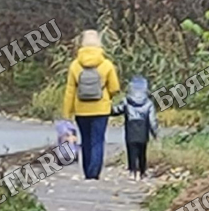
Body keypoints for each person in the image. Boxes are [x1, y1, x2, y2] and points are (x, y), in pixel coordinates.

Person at [62, 30, 120, 180]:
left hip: (81, 110)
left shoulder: (75, 65)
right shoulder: (106, 64)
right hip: (101, 109)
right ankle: (95, 172)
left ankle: (87, 172)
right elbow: (115, 88)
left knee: (85, 140)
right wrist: (107, 97)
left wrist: (67, 114)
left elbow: (70, 91)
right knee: (98, 140)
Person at [112, 75, 158, 181]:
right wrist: (155, 133)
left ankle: (132, 171)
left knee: (131, 150)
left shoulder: (126, 101)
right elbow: (152, 121)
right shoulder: (148, 103)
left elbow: (117, 110)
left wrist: (106, 110)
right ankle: (142, 172)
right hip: (143, 129)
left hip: (131, 128)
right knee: (142, 151)